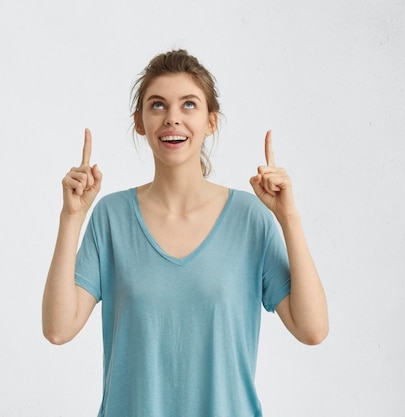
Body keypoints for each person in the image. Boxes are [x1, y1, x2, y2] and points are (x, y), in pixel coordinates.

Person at [42, 49, 328, 417]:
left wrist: (289, 218)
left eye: (188, 105)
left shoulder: (249, 218)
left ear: (211, 121)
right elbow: (58, 328)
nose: (172, 118)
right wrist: (71, 218)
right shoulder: (111, 218)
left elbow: (312, 330)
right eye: (158, 105)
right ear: (140, 122)